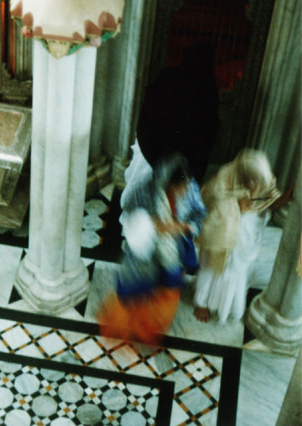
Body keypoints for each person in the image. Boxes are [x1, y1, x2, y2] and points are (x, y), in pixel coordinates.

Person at [100, 154, 207, 344]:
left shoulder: (190, 189)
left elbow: (199, 215)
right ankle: (124, 328)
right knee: (133, 289)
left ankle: (148, 329)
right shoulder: (145, 192)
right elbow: (131, 210)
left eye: (186, 186)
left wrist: (183, 227)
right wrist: (152, 225)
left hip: (172, 250)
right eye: (179, 188)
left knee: (168, 287)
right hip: (145, 253)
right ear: (167, 184)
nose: (184, 192)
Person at [120, 41, 219, 219]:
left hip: (160, 154)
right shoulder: (206, 86)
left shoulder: (171, 77)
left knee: (157, 195)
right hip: (176, 158)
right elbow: (209, 128)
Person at [193, 149, 285, 323]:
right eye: (252, 182)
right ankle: (201, 303)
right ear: (243, 176)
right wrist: (237, 206)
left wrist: (284, 199)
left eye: (258, 182)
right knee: (210, 269)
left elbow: (270, 196)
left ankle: (223, 304)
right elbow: (213, 204)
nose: (254, 187)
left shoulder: (261, 177)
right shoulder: (224, 179)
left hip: (242, 236)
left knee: (234, 271)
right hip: (219, 235)